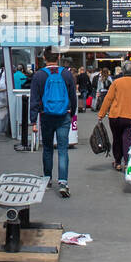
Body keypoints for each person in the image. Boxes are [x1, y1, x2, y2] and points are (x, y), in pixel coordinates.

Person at [29, 47, 77, 197]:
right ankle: (63, 182)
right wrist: (72, 111)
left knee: (48, 148)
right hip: (64, 116)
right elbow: (73, 96)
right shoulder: (67, 74)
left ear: (44, 58)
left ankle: (47, 179)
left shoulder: (39, 75)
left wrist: (33, 120)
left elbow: (35, 99)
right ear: (59, 57)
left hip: (46, 116)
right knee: (63, 149)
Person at [100, 60, 131, 171]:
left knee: (117, 138)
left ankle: (118, 161)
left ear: (123, 71)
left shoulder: (116, 82)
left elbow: (108, 99)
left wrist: (101, 114)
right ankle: (128, 162)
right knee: (128, 139)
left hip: (115, 116)